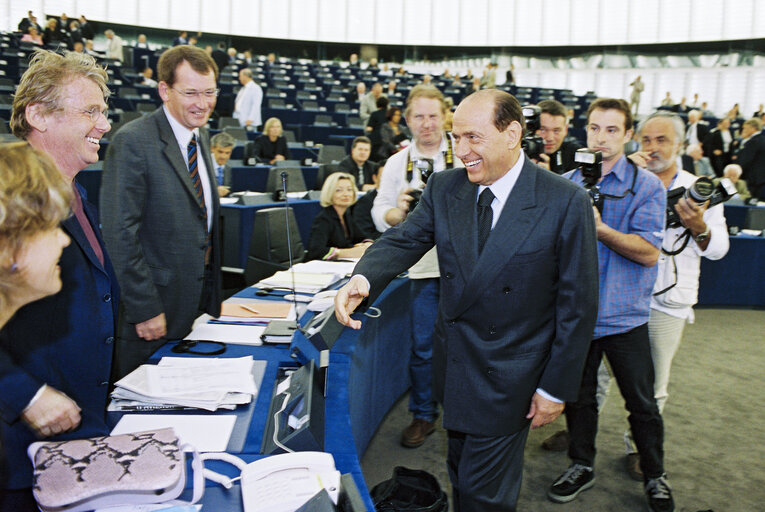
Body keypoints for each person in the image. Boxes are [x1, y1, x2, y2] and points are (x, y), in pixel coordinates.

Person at [335, 89, 599, 511]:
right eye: (456, 138)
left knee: (483, 494)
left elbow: (578, 305)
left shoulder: (565, 201)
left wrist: (555, 387)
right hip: (455, 366)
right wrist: (362, 277)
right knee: (461, 471)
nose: (461, 151)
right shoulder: (444, 187)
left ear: (512, 134)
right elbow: (404, 239)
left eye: (473, 138)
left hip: (511, 377)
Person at [2, 50, 119, 505]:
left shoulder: (79, 193)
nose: (105, 124)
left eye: (104, 112)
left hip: (77, 436)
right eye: (91, 111)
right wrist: (25, 395)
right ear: (38, 114)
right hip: (16, 452)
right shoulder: (5, 191)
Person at [548, 98, 672, 512]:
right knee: (579, 400)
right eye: (595, 129)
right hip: (578, 317)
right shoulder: (566, 183)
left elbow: (649, 251)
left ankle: (655, 473)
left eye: (612, 130)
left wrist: (600, 229)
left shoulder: (648, 186)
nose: (601, 138)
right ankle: (581, 465)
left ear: (627, 134)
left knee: (642, 404)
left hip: (626, 318)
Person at [100, 45, 222, 380]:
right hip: (154, 312)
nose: (202, 103)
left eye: (210, 92)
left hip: (196, 304)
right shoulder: (133, 141)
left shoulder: (202, 137)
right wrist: (145, 308)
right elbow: (118, 232)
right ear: (164, 90)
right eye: (191, 93)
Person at [624, 111, 729, 481]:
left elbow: (718, 250)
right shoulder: (628, 178)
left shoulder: (701, 188)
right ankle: (578, 435)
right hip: (621, 293)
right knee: (600, 374)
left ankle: (638, 447)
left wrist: (698, 226)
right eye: (647, 140)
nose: (652, 148)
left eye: (662, 140)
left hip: (668, 299)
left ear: (680, 145)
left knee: (656, 382)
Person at [371, 85, 464, 451]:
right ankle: (424, 412)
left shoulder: (466, 154)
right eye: (419, 117)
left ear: (445, 116)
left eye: (433, 115)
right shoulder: (397, 163)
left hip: (471, 269)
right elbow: (379, 210)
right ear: (407, 120)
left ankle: (465, 413)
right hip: (424, 269)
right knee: (423, 347)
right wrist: (399, 213)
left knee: (470, 345)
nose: (427, 124)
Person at [307, 173, 374, 261]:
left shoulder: (346, 214)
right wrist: (346, 253)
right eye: (339, 190)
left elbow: (361, 237)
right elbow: (316, 251)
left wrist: (366, 244)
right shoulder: (324, 219)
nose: (346, 194)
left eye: (349, 190)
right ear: (330, 193)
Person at [533, 99, 582, 175]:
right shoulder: (518, 152)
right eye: (543, 130)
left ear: (565, 130)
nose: (550, 138)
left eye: (556, 131)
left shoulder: (575, 155)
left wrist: (547, 177)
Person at [731, 118, 765, 199]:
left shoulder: (752, 142)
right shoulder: (763, 139)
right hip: (761, 179)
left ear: (753, 128)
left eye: (745, 128)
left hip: (751, 179)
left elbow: (744, 161)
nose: (744, 130)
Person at [210, 131, 236, 197]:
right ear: (212, 148)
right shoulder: (202, 165)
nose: (223, 157)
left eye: (227, 153)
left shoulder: (228, 168)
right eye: (220, 152)